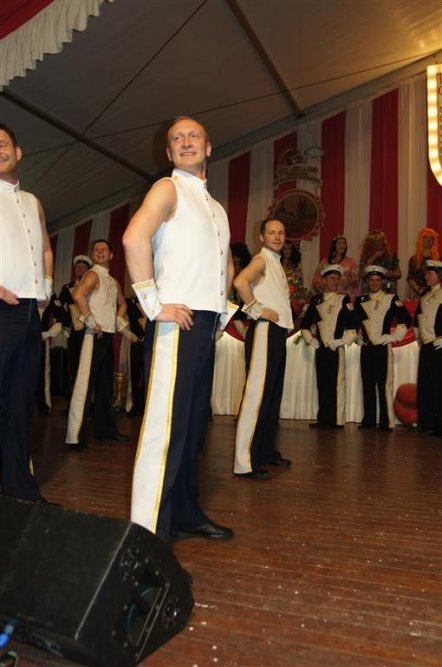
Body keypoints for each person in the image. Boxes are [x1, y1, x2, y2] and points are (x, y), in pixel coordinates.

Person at [122, 115, 234, 543]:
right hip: (177, 321)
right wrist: (153, 305)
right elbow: (133, 239)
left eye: (194, 136)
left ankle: (185, 513)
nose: (186, 142)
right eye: (177, 138)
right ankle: (147, 534)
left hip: (203, 322)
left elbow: (225, 263)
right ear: (169, 153)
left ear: (209, 147)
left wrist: (220, 314)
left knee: (192, 427)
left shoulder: (215, 207)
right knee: (164, 430)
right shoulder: (167, 188)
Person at [0, 123, 53, 501]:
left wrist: (47, 281)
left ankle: (20, 492)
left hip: (31, 312)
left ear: (18, 152)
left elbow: (46, 248)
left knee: (20, 405)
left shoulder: (34, 202)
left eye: (2, 144)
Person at [232, 218, 293, 480]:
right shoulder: (261, 260)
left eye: (281, 233)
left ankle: (265, 452)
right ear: (261, 237)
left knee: (271, 396)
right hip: (265, 331)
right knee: (257, 396)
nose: (277, 237)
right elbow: (240, 282)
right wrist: (258, 310)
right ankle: (244, 462)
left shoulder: (275, 262)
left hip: (277, 333)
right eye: (271, 233)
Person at [65, 239, 129, 450]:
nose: (100, 252)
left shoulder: (113, 281)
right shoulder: (92, 274)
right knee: (85, 386)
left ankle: (105, 430)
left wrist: (118, 319)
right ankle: (75, 437)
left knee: (104, 387)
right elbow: (78, 295)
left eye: (104, 249)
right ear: (93, 255)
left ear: (111, 255)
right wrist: (91, 321)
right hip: (93, 335)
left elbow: (123, 304)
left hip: (107, 337)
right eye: (96, 250)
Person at [354, 265, 411, 430]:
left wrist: (394, 336)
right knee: (367, 385)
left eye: (377, 280)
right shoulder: (360, 301)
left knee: (384, 385)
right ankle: (369, 420)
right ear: (367, 281)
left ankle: (386, 422)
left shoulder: (391, 298)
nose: (374, 283)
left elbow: (406, 318)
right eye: (371, 280)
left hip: (382, 348)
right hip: (367, 348)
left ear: (382, 282)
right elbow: (352, 322)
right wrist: (356, 338)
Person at [301, 265, 356, 429]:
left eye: (338, 278)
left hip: (335, 348)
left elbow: (354, 325)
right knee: (322, 383)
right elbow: (305, 323)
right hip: (321, 348)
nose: (335, 281)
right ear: (324, 280)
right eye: (332, 278)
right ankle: (323, 419)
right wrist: (310, 340)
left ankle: (336, 420)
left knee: (336, 385)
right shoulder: (316, 300)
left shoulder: (343, 299)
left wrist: (342, 341)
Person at [413, 260, 442, 436]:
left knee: (439, 385)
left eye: (429, 273)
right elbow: (417, 318)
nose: (426, 276)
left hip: (439, 344)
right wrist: (418, 337)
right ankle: (427, 421)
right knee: (426, 384)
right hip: (427, 344)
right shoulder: (425, 295)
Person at [57, 254, 92, 393]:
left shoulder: (91, 286)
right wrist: (66, 322)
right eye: (77, 267)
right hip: (73, 330)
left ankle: (87, 397)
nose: (79, 269)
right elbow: (57, 306)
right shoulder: (67, 287)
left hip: (89, 328)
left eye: (82, 267)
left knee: (87, 362)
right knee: (73, 361)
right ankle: (73, 395)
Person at [359, 230, 401, 294]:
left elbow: (399, 274)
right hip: (370, 283)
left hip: (386, 283)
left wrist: (392, 274)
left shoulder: (390, 254)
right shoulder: (366, 255)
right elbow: (362, 273)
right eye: (378, 241)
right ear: (372, 243)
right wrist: (374, 257)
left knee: (390, 285)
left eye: (382, 240)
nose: (381, 243)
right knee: (365, 285)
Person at [407, 228, 440, 299]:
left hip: (435, 292)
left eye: (431, 238)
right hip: (418, 291)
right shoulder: (414, 259)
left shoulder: (438, 259)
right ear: (421, 240)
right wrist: (419, 290)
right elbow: (410, 278)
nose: (429, 240)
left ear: (434, 241)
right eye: (426, 237)